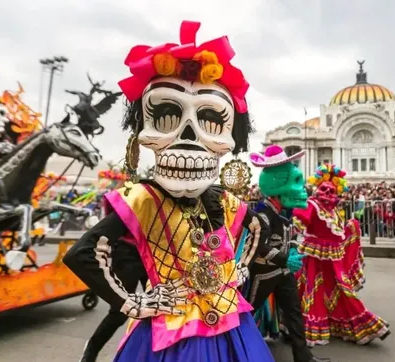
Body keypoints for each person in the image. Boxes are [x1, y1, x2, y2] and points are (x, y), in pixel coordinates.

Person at [64, 20, 275, 362]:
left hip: (227, 319)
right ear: (141, 133)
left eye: (209, 121)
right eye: (164, 115)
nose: (189, 139)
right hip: (172, 328)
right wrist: (133, 303)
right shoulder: (144, 199)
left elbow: (257, 229)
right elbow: (80, 254)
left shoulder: (225, 200)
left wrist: (239, 270)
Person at [245, 145, 330, 362]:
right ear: (277, 186)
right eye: (295, 183)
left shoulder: (283, 213)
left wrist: (292, 251)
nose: (301, 190)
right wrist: (285, 258)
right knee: (245, 312)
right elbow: (260, 247)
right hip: (263, 275)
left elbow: (288, 236)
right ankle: (233, 351)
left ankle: (304, 357)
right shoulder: (263, 214)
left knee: (294, 314)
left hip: (282, 274)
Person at [293, 164, 390, 346]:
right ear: (317, 187)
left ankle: (356, 324)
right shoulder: (312, 204)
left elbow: (338, 233)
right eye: (324, 188)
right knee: (312, 288)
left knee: (339, 289)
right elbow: (299, 221)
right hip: (314, 256)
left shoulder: (334, 210)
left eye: (332, 189)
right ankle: (310, 325)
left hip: (333, 256)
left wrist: (351, 227)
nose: (328, 192)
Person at [80, 239, 147, 362]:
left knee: (158, 309)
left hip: (155, 252)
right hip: (128, 252)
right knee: (119, 314)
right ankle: (92, 348)